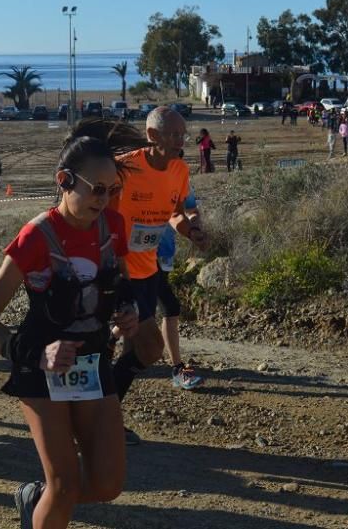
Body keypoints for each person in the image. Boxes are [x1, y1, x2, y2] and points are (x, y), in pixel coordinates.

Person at [0, 118, 141, 529]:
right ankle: (45, 504)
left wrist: (127, 309)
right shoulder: (36, 238)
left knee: (108, 483)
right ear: (64, 180)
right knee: (62, 484)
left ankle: (34, 501)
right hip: (40, 369)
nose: (105, 198)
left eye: (112, 190)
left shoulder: (113, 227)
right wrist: (36, 353)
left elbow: (122, 281)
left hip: (93, 363)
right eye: (96, 189)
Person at [110, 106, 209, 445]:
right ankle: (100, 417)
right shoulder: (124, 169)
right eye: (173, 134)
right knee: (143, 344)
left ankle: (104, 413)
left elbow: (175, 214)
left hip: (148, 270)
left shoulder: (179, 170)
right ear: (152, 136)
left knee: (137, 348)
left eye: (183, 134)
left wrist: (190, 230)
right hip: (116, 272)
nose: (181, 140)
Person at [155, 178, 203, 390]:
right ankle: (177, 368)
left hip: (163, 254)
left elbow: (189, 209)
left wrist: (193, 226)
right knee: (168, 307)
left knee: (146, 312)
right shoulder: (138, 174)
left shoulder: (180, 179)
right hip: (136, 257)